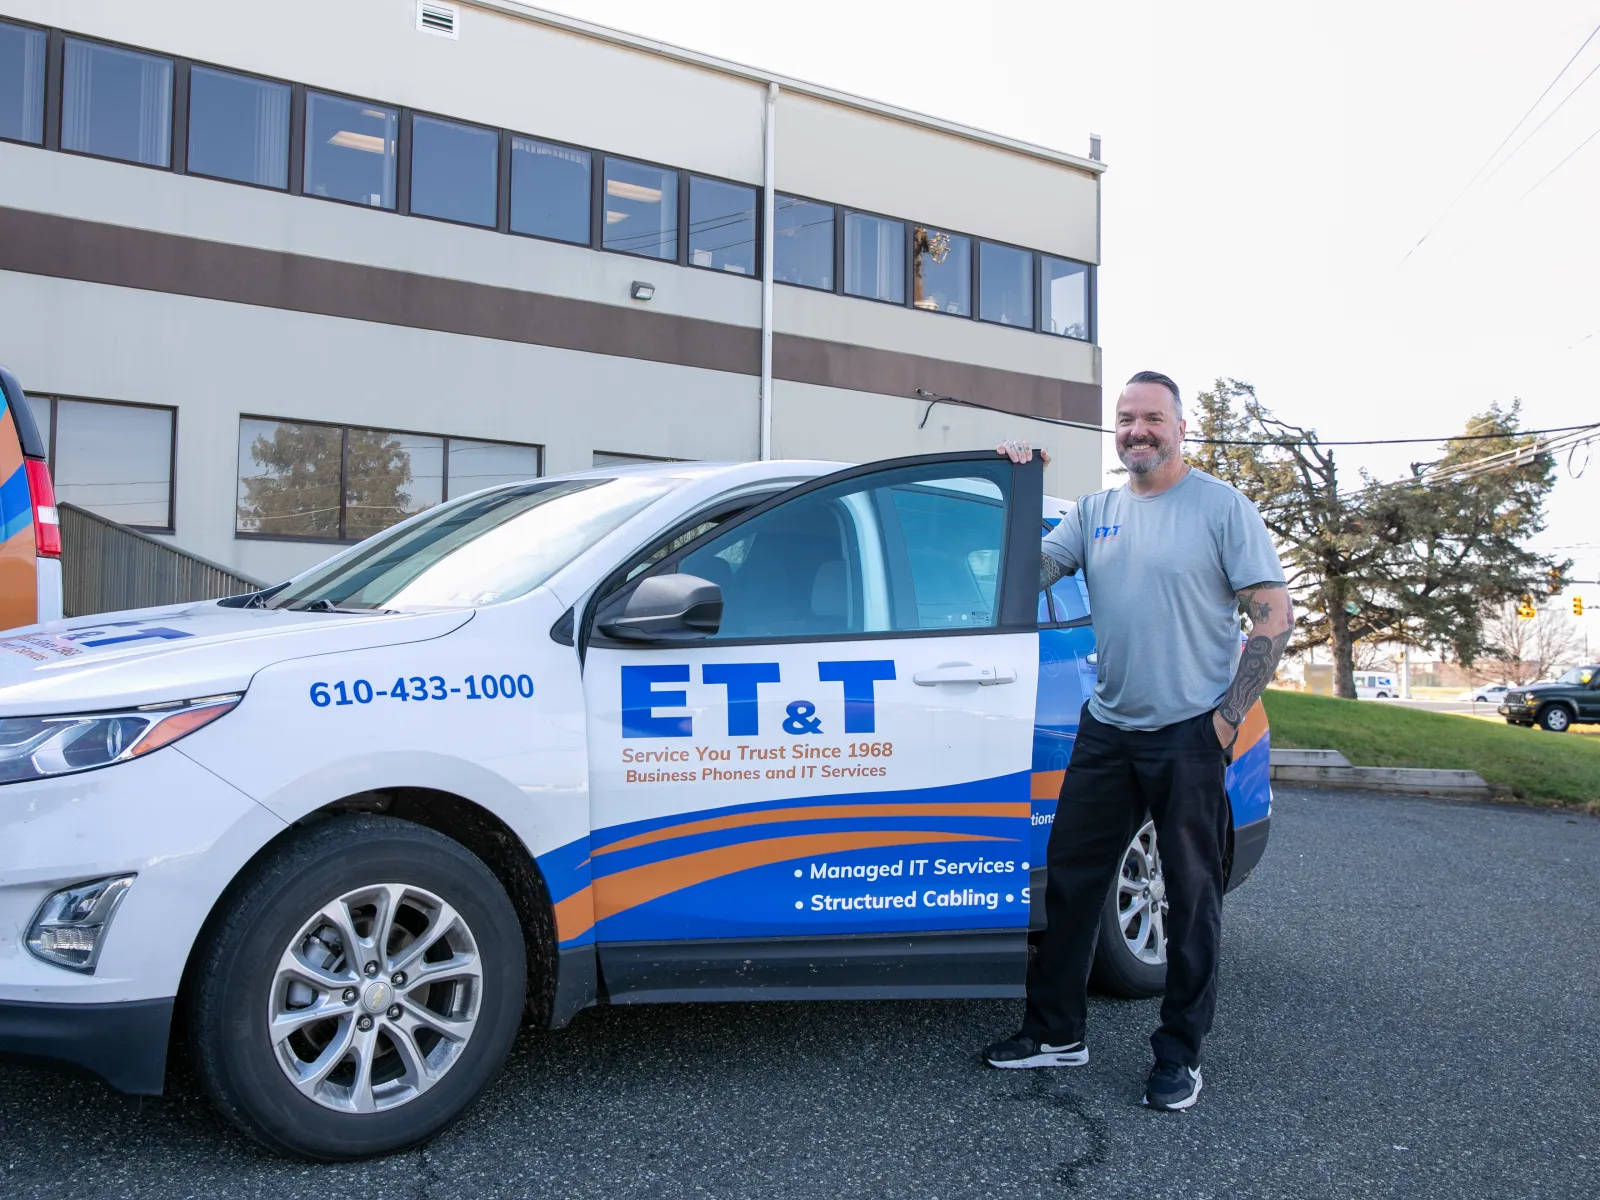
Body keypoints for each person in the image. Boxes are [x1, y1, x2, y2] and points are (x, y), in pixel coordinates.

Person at [984, 370, 1293, 1111]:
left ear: (1180, 428)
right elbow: (1025, 579)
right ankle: (1057, 1032)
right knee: (1071, 880)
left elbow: (1273, 615)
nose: (1137, 431)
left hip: (1189, 734)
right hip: (1108, 728)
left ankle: (1179, 1055)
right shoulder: (1095, 512)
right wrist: (1015, 491)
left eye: (1152, 417)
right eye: (1125, 419)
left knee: (1190, 899)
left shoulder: (1222, 507)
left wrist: (1224, 721)